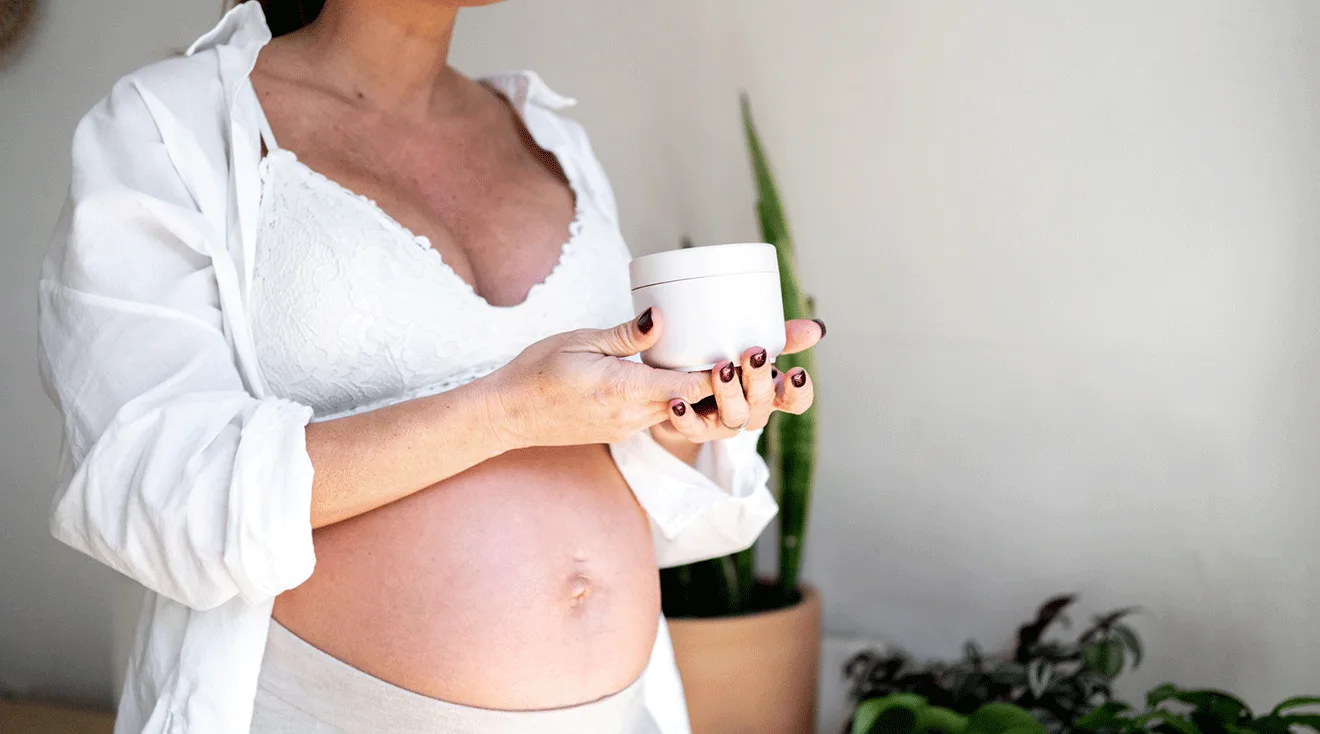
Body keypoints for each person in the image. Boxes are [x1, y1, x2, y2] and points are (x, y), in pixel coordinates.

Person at [36, 1, 823, 732]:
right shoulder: (172, 126)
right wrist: (506, 409)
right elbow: (150, 483)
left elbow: (616, 465)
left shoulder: (549, 136)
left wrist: (688, 417)